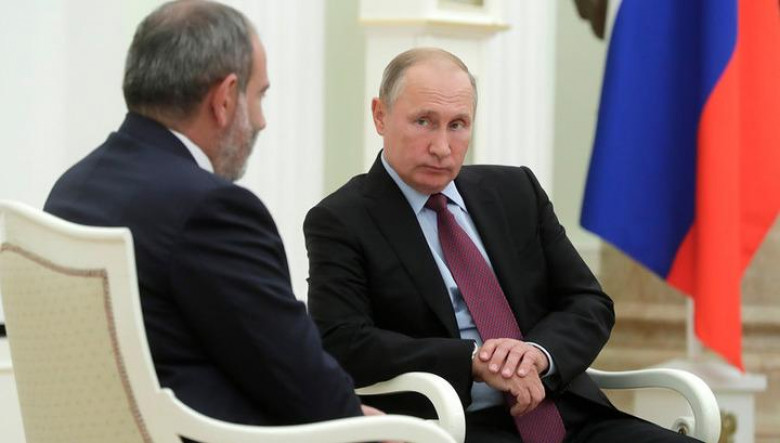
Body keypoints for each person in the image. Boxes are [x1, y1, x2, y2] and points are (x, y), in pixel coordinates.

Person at [304, 48, 701, 442]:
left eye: (458, 125)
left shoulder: (516, 191)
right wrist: (473, 361)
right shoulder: (341, 220)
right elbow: (343, 340)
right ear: (380, 115)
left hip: (569, 414)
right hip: (455, 426)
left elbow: (588, 302)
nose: (441, 146)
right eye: (424, 122)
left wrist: (539, 354)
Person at [44, 0, 366, 429]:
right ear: (225, 98)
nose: (262, 121)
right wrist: (371, 423)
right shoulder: (211, 210)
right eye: (259, 95)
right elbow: (305, 386)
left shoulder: (73, 187)